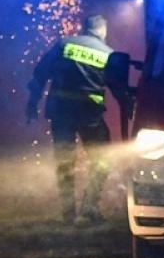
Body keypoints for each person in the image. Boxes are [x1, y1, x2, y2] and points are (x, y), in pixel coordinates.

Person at [27, 13, 133, 223]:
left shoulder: (64, 45)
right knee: (103, 158)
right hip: (89, 115)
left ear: (84, 28)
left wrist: (32, 103)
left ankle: (68, 213)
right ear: (102, 31)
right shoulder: (108, 54)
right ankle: (90, 207)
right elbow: (118, 89)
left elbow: (40, 74)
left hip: (60, 112)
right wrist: (130, 106)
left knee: (65, 161)